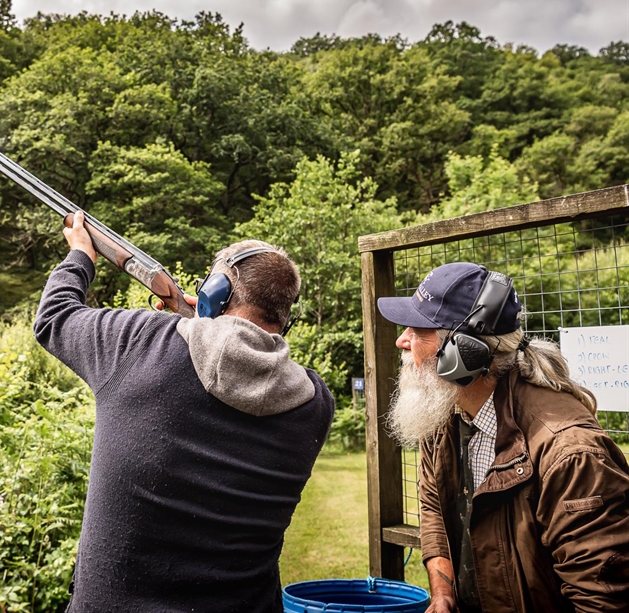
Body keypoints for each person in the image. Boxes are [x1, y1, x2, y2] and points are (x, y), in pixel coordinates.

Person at [33, 211, 335, 613]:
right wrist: (197, 327)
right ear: (286, 316)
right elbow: (235, 362)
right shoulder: (315, 403)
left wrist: (80, 255)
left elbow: (54, 317)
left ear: (216, 291)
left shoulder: (139, 342)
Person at [377, 262, 629, 613]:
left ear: (463, 353)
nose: (401, 340)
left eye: (419, 330)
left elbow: (602, 599)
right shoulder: (444, 415)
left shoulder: (569, 453)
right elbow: (433, 505)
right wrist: (443, 593)